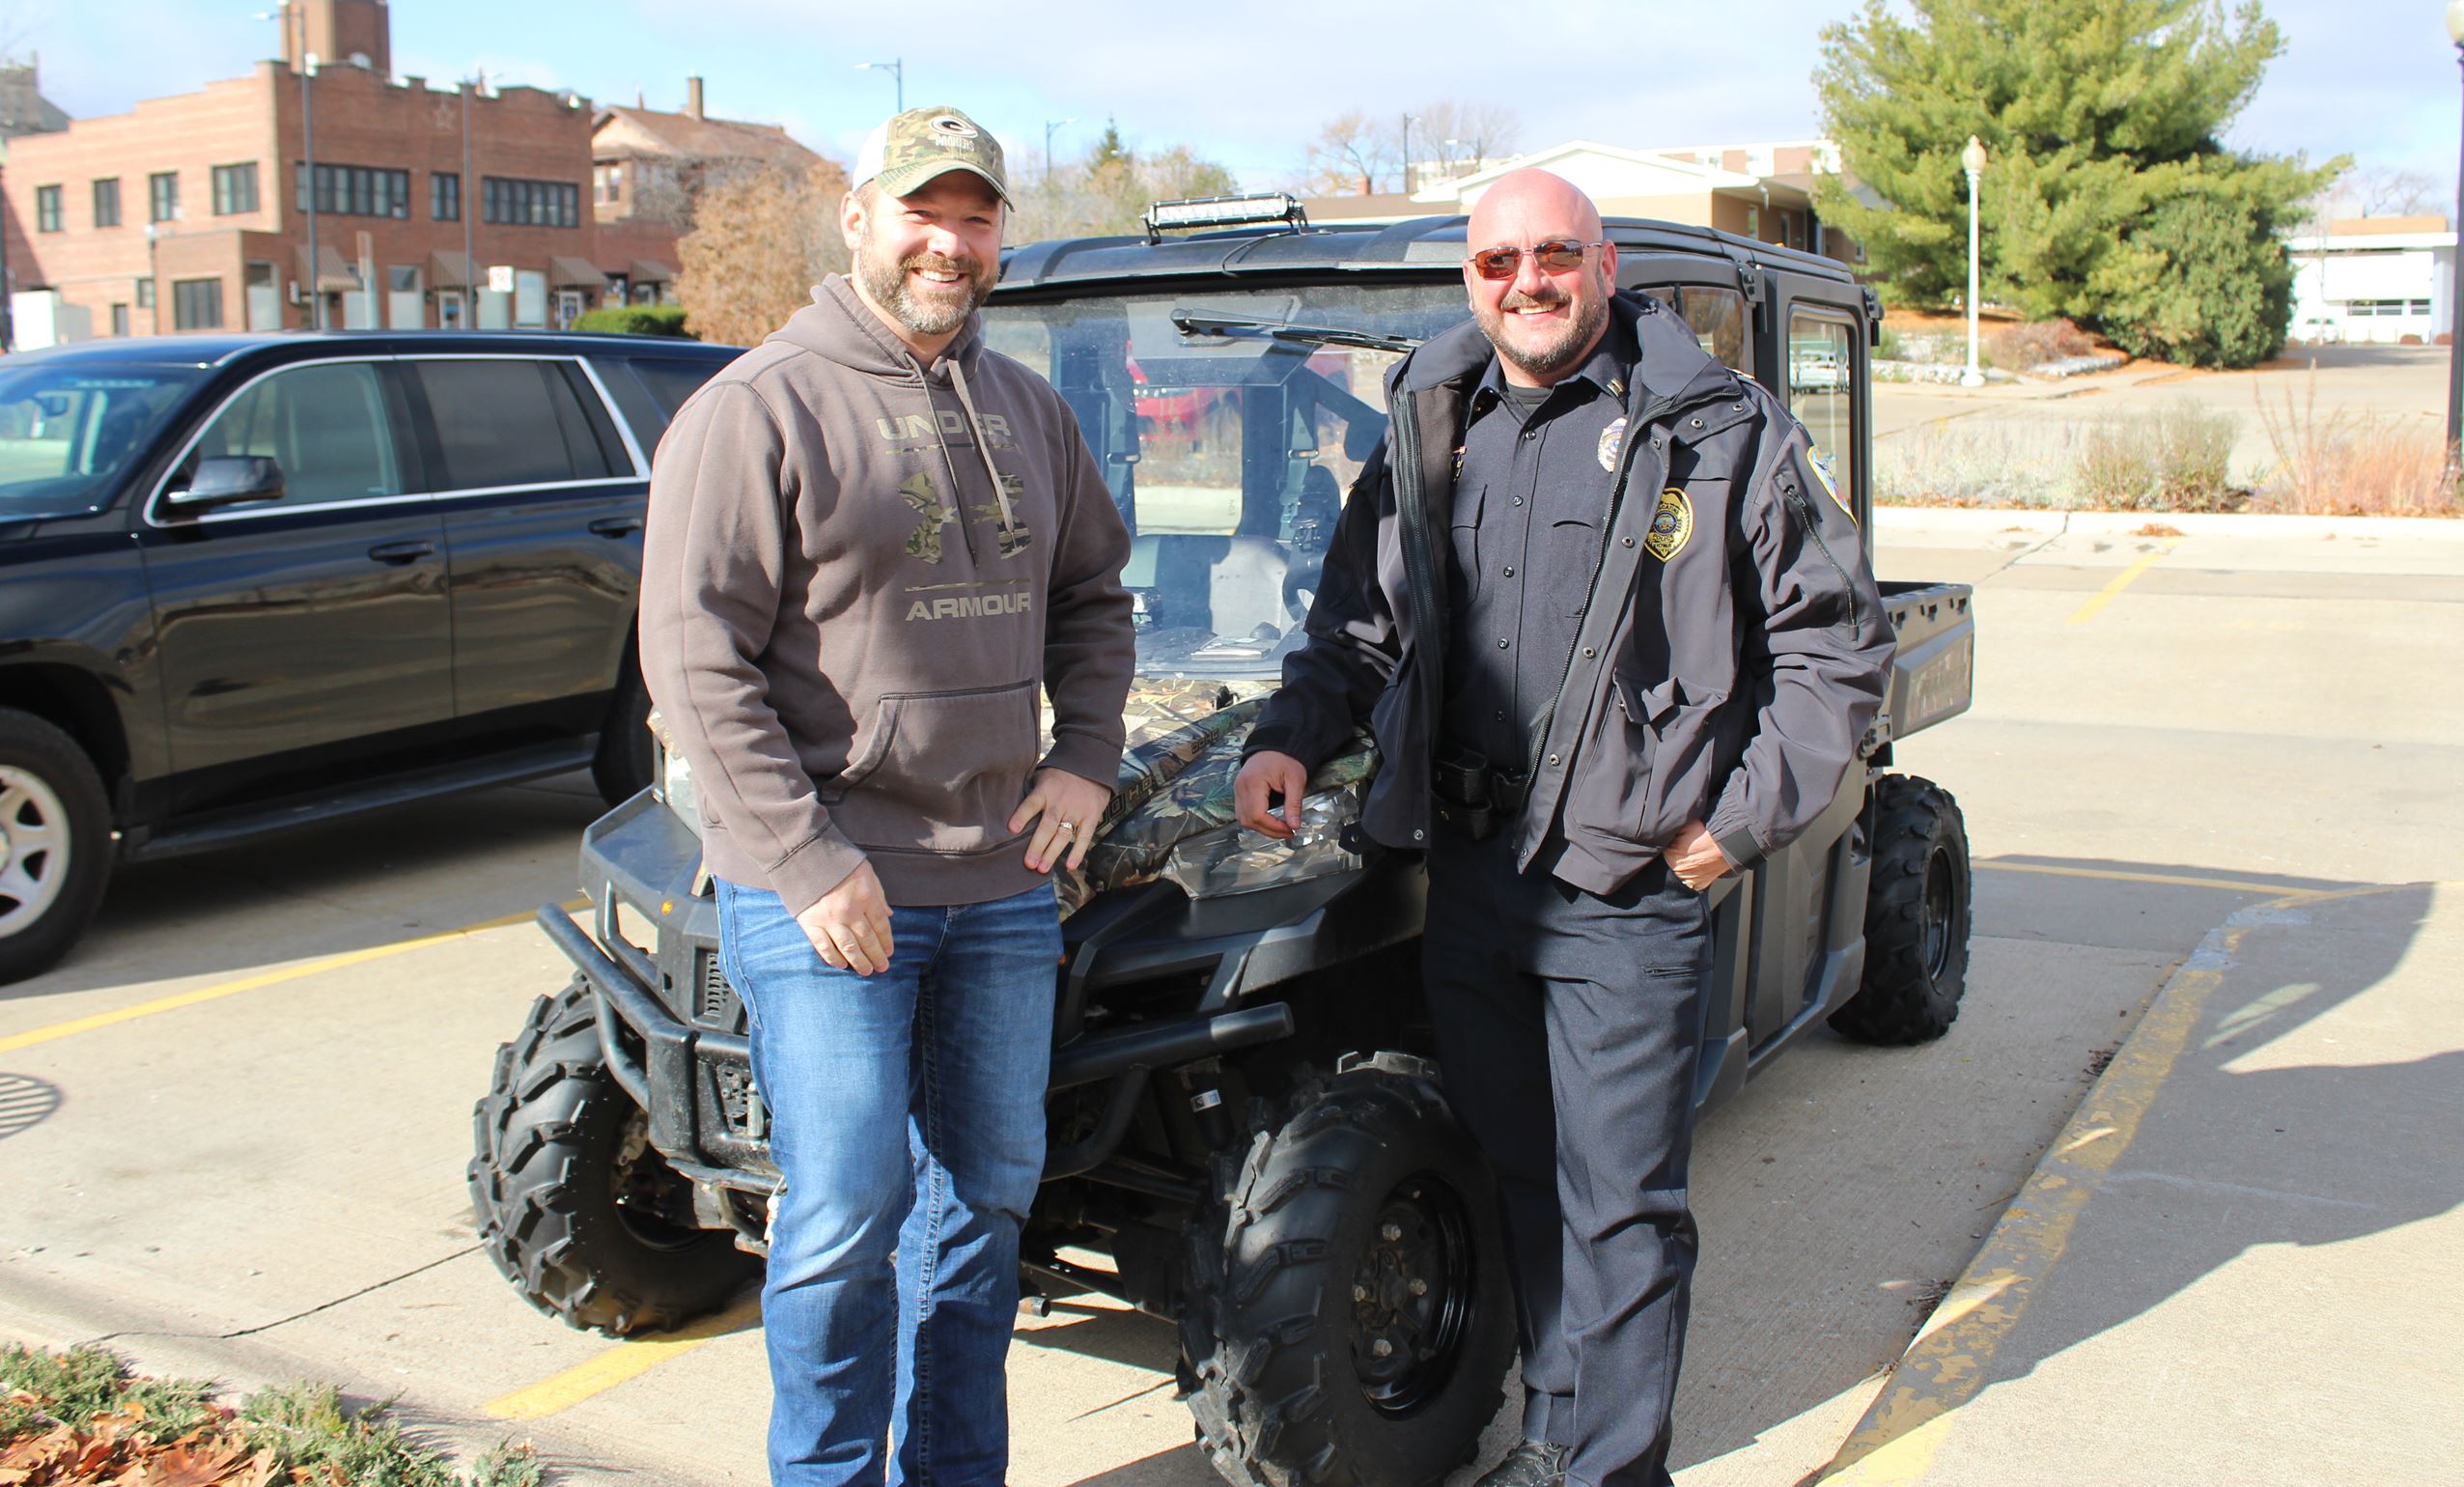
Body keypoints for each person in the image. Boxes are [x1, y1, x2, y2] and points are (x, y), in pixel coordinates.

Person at [1233, 169, 1892, 1487]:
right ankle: (1556, 1431)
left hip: (1626, 887)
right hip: (1475, 879)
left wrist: (1734, 825)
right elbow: (1357, 623)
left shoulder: (1715, 430)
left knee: (1622, 1205)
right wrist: (1291, 735)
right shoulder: (1434, 417)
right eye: (1498, 263)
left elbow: (1836, 650)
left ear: (1602, 266)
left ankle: (1610, 1468)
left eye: (1554, 255)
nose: (1526, 282)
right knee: (1524, 1169)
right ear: (1470, 281)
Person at [640, 106, 1134, 1487]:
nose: (949, 242)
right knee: (846, 1212)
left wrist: (1086, 754)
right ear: (858, 217)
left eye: (977, 217)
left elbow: (1094, 597)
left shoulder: (1028, 409)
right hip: (832, 895)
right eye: (924, 210)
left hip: (1000, 886)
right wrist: (806, 860)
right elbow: (692, 657)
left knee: (982, 1205)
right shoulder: (756, 408)